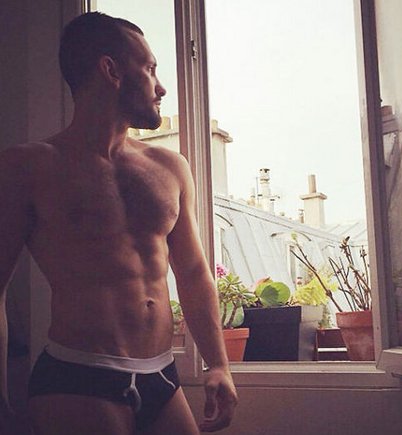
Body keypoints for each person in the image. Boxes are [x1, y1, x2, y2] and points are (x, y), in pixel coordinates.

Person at [0, 11, 237, 435]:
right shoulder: (28, 167)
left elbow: (194, 272)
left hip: (162, 375)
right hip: (77, 376)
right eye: (150, 69)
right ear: (110, 70)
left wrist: (218, 364)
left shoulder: (170, 167)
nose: (161, 87)